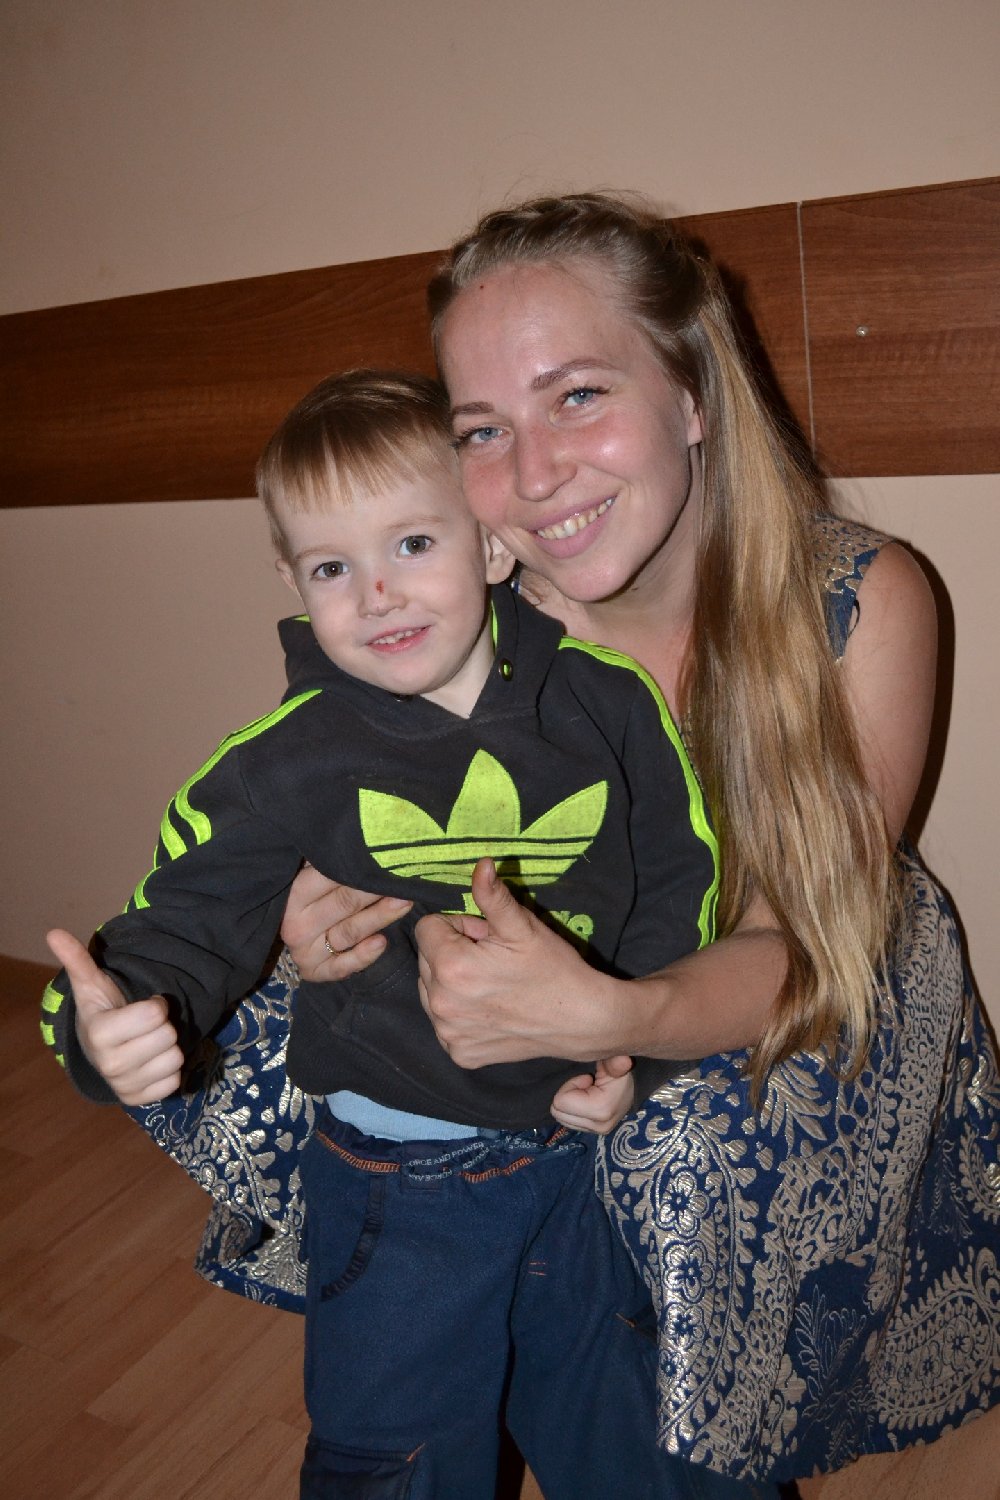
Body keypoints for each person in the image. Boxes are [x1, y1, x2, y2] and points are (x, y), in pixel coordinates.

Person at [281, 193, 1000, 1485]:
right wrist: (328, 906)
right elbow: (341, 789)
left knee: (673, 1157)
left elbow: (803, 947)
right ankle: (464, 1365)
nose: (533, 475)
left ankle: (671, 1416)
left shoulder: (859, 601)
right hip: (576, 995)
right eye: (482, 429)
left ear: (692, 394)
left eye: (577, 395)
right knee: (344, 1059)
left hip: (803, 1000)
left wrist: (612, 1014)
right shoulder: (473, 609)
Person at [42, 370, 767, 1498]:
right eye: (332, 567)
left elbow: (679, 886)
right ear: (291, 580)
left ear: (491, 545)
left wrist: (634, 1058)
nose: (377, 593)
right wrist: (112, 1022)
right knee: (400, 1452)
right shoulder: (284, 759)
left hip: (580, 1160)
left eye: (414, 544)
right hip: (394, 1177)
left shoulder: (612, 704)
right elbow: (187, 918)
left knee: (630, 1425)